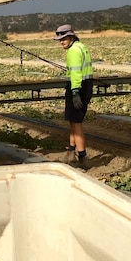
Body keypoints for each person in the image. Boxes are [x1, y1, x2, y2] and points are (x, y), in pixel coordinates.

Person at [54, 24, 94, 167]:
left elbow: (76, 73)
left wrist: (75, 92)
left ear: (71, 37)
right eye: (59, 39)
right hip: (86, 85)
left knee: (76, 124)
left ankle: (82, 156)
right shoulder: (82, 47)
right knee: (72, 120)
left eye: (64, 39)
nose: (61, 42)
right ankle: (71, 152)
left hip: (78, 87)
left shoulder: (73, 51)